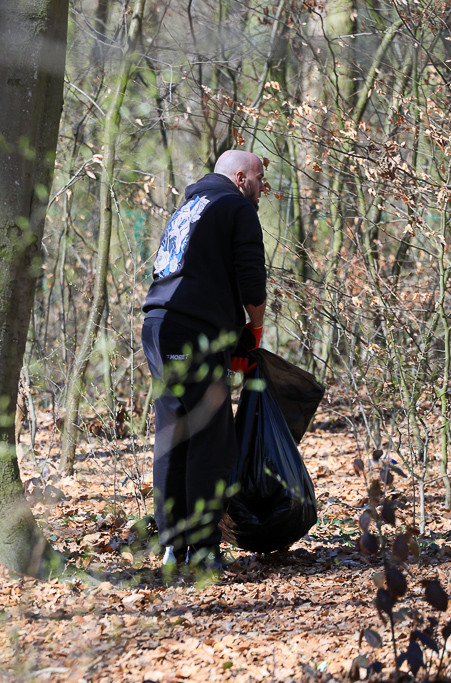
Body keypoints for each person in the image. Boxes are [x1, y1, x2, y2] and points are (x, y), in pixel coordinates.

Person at [141, 150, 268, 570]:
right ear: (239, 177)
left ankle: (172, 546)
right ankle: (204, 549)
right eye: (258, 178)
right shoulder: (236, 206)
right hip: (190, 332)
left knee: (175, 432)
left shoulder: (191, 207)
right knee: (212, 437)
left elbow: (196, 275)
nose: (262, 187)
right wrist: (254, 332)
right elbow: (252, 281)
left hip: (158, 326)